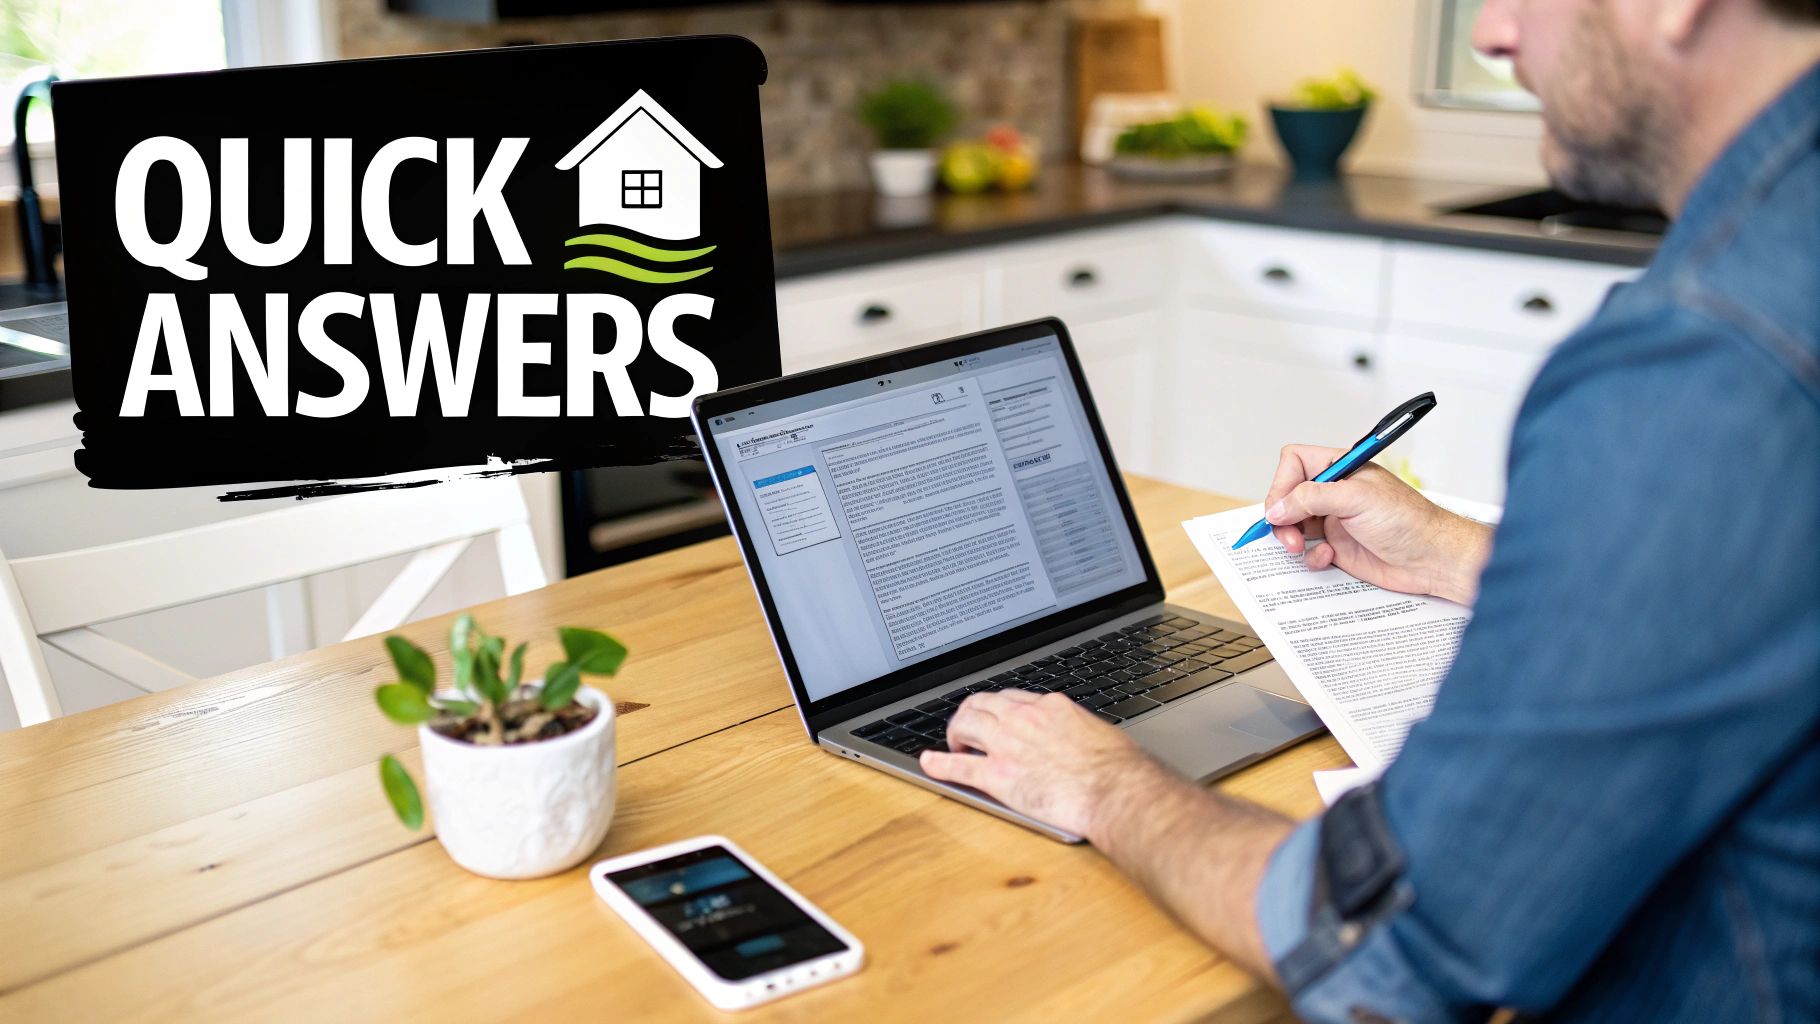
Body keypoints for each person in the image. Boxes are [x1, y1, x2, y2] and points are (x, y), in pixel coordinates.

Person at [920, 0, 1820, 1019]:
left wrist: (1101, 781)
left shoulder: (1699, 360)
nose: (1488, 34)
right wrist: (1450, 552)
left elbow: (1402, 942)